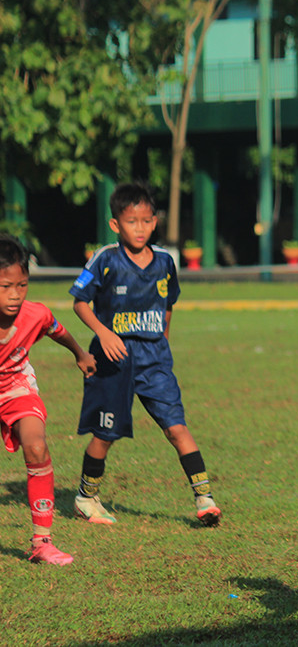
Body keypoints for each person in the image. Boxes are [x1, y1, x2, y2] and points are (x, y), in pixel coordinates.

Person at [69, 182, 221, 526]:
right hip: (114, 359)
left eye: (147, 220)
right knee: (105, 435)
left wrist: (162, 341)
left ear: (156, 222)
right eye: (132, 221)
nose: (140, 228)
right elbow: (79, 302)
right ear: (115, 225)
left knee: (176, 427)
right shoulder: (106, 258)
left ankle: (204, 498)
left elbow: (168, 305)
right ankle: (85, 497)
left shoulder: (165, 262)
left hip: (154, 360)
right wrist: (104, 332)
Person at [0, 236, 96, 564]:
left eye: (22, 285)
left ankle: (42, 542)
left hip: (16, 388)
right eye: (5, 286)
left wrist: (80, 353)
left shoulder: (34, 314)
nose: (15, 295)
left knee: (37, 447)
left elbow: (57, 329)